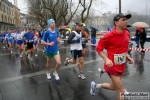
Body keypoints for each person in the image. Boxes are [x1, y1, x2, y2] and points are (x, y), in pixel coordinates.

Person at [90, 13, 134, 100]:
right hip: (112, 66)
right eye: (123, 20)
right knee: (121, 90)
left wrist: (127, 56)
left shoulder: (127, 33)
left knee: (114, 87)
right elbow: (99, 48)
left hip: (121, 65)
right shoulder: (109, 36)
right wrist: (106, 59)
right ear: (116, 23)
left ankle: (95, 85)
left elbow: (124, 48)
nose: (126, 21)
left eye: (126, 20)